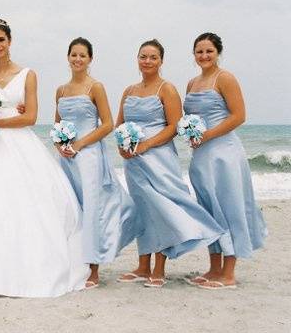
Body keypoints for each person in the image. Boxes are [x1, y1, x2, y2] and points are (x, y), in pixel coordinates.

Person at [0, 19, 88, 298]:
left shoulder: (27, 74)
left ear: (10, 41)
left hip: (18, 145)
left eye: (1, 40)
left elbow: (30, 117)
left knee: (24, 205)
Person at [114, 39, 223, 288]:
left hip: (158, 157)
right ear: (137, 59)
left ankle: (159, 268)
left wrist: (146, 144)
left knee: (161, 208)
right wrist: (122, 145)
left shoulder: (167, 88)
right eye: (143, 56)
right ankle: (142, 266)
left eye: (153, 57)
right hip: (134, 161)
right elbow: (119, 123)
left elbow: (174, 125)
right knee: (144, 210)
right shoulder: (129, 91)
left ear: (161, 61)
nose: (148, 61)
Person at [183, 32, 267, 290]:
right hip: (201, 156)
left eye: (209, 51)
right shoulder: (192, 83)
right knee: (209, 210)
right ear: (194, 54)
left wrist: (207, 134)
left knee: (230, 208)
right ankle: (214, 268)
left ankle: (229, 274)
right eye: (199, 51)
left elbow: (239, 115)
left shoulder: (225, 78)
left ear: (218, 52)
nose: (204, 56)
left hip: (224, 154)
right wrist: (191, 134)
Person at [55, 37, 140, 288]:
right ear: (68, 57)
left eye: (83, 55)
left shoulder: (96, 87)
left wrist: (80, 145)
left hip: (89, 156)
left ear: (90, 59)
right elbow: (58, 123)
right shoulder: (61, 90)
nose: (77, 59)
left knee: (92, 209)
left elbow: (107, 124)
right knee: (72, 208)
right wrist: (61, 144)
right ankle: (74, 261)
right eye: (74, 55)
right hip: (67, 158)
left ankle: (93, 268)